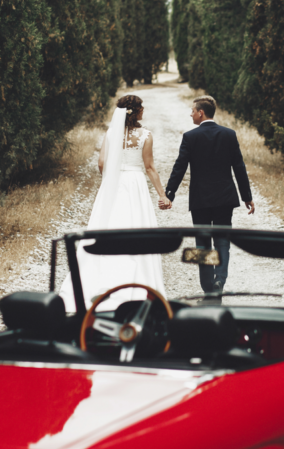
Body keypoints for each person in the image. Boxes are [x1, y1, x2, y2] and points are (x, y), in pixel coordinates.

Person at [59, 95, 171, 312]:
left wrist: (110, 182)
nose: (143, 110)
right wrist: (162, 195)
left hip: (114, 184)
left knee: (107, 225)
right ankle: (139, 280)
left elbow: (102, 163)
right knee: (136, 225)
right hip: (135, 183)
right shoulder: (145, 135)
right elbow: (149, 167)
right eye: (141, 107)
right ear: (136, 111)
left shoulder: (111, 133)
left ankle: (100, 277)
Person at [162, 95, 254, 298]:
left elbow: (180, 167)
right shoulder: (229, 134)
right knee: (222, 240)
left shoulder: (190, 137)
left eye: (193, 110)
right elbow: (239, 167)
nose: (191, 114)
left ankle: (207, 286)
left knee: (202, 242)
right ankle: (219, 279)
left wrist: (170, 193)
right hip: (224, 198)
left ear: (201, 113)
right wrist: (247, 196)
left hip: (200, 199)